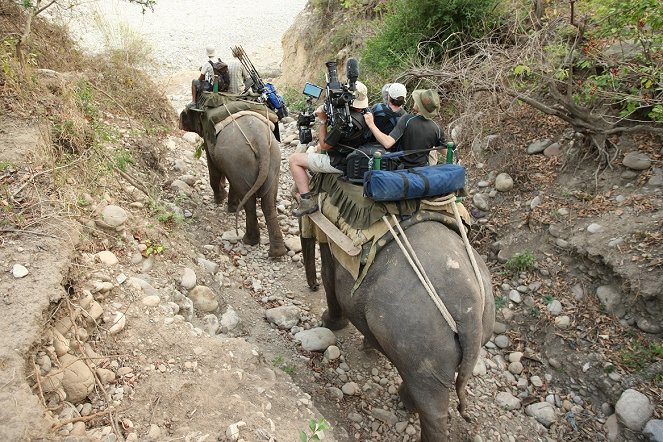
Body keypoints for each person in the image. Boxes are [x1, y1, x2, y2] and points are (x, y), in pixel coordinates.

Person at [289, 81, 371, 217]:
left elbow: (325, 145)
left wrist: (323, 121)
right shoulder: (367, 113)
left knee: (294, 160)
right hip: (357, 154)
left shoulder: (344, 123)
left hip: (341, 162)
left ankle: (306, 201)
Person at [364, 88, 444, 169]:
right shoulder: (436, 128)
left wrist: (371, 124)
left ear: (419, 106)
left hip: (403, 170)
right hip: (422, 170)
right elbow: (446, 151)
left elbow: (387, 143)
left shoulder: (407, 119)